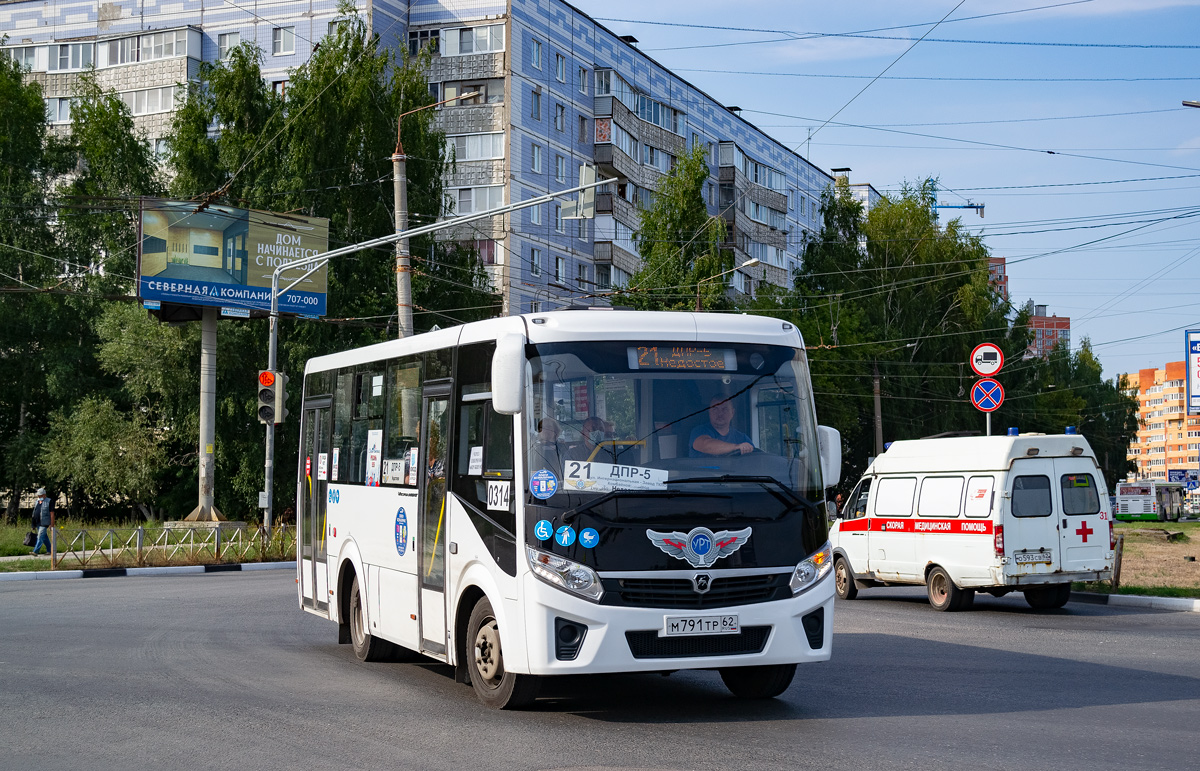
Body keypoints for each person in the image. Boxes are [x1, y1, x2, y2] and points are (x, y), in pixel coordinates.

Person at [690, 396, 755, 457]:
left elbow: (754, 459)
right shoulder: (699, 431)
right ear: (709, 412)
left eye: (725, 409)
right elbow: (705, 445)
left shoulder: (742, 438)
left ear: (732, 412)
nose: (720, 413)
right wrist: (736, 447)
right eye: (715, 409)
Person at [30, 488, 53, 556]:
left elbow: (52, 514)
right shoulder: (37, 502)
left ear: (44, 495)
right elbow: (34, 513)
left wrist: (51, 524)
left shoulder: (49, 501)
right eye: (38, 496)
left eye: (40, 495)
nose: (39, 497)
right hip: (37, 523)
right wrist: (33, 525)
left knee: (40, 536)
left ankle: (35, 551)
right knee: (44, 537)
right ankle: (50, 550)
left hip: (44, 523)